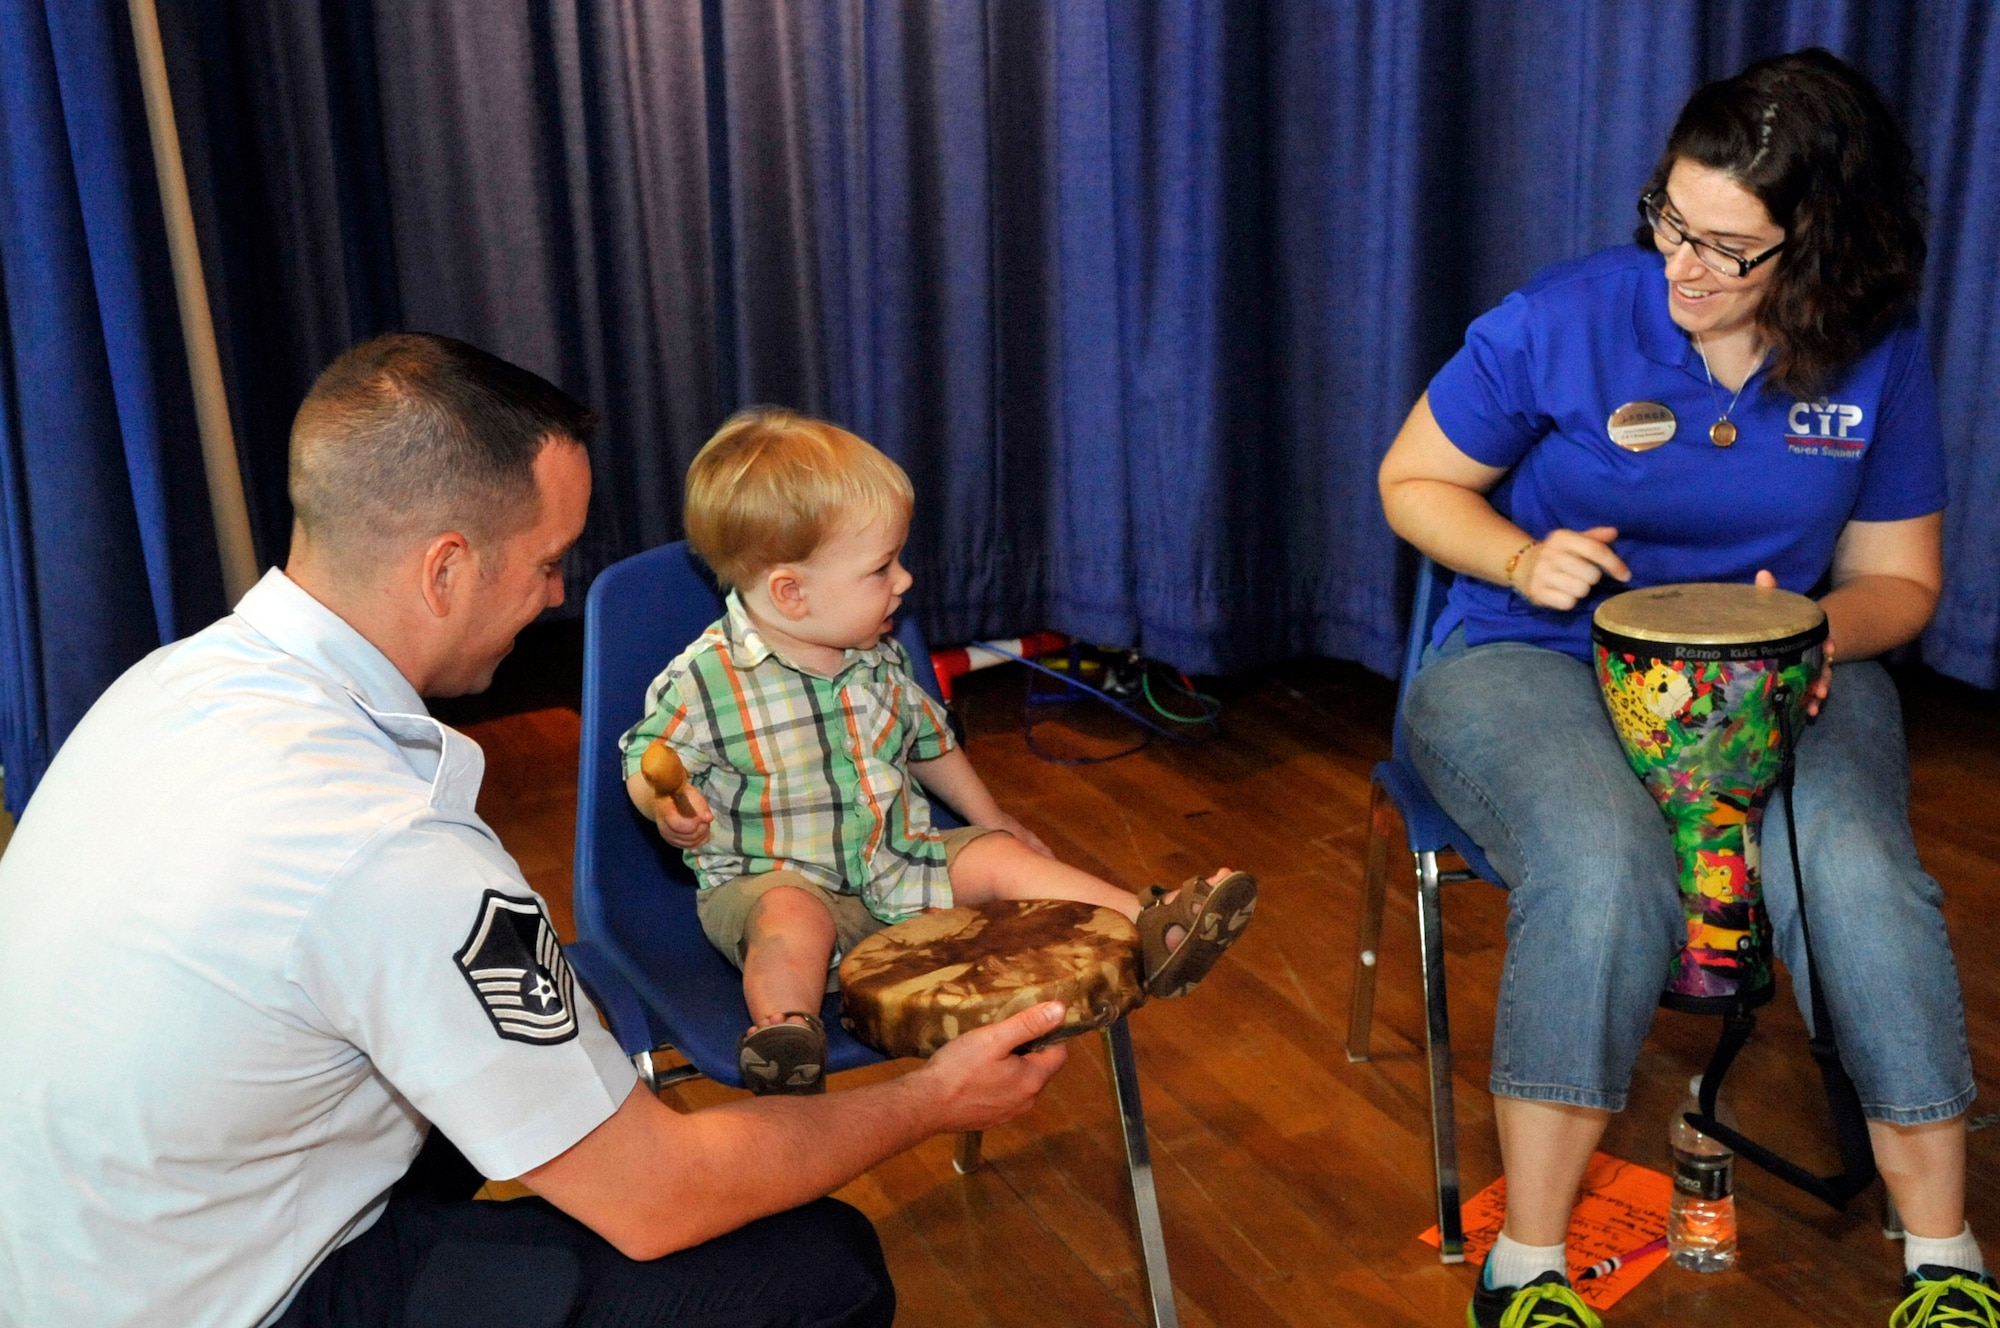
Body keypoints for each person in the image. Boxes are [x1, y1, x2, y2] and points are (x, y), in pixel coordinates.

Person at [0, 334, 1075, 1328]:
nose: (557, 593)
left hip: (82, 1250)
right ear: (446, 567)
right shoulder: (392, 849)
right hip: (226, 1299)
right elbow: (660, 1199)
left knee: (573, 1014)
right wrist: (932, 1096)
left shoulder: (165, 683)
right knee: (822, 1269)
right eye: (548, 561)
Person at [1376, 50, 1990, 1328]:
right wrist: (1517, 555)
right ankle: (1526, 1268)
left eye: (1729, 245)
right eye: (1669, 218)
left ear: (1820, 246)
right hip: (1533, 660)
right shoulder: (1563, 314)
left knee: (1852, 864)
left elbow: (1897, 580)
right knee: (1603, 862)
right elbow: (1410, 481)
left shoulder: (1872, 355)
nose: (1683, 266)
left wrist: (1805, 635)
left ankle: (1941, 1254)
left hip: (1783, 674)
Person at [620, 408, 1258, 1094]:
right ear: (790, 593)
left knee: (1001, 858)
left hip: (900, 862)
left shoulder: (874, 657)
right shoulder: (706, 680)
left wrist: (992, 820)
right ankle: (787, 1029)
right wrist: (666, 810)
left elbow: (929, 743)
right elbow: (647, 761)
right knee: (789, 921)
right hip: (775, 876)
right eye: (881, 568)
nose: (904, 581)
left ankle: (1153, 928)